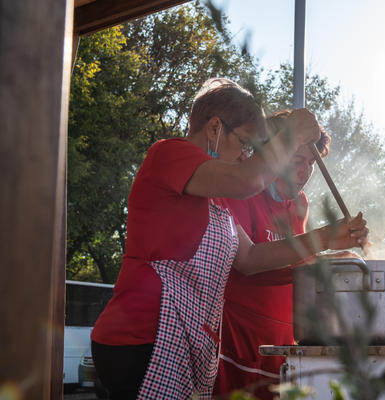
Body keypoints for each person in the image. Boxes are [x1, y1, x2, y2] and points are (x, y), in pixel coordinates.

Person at [90, 79, 369, 400]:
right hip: (139, 337)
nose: (245, 156)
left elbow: (250, 259)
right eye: (245, 144)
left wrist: (325, 239)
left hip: (180, 341)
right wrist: (290, 133)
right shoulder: (169, 154)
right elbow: (246, 180)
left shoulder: (214, 198)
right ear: (214, 129)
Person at [214, 110, 357, 399]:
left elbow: (294, 261)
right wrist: (323, 239)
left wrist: (334, 260)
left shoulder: (300, 203)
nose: (304, 172)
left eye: (311, 163)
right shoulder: (241, 189)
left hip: (285, 343)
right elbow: (248, 263)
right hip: (238, 341)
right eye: (297, 161)